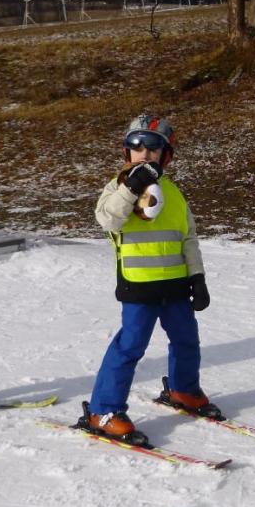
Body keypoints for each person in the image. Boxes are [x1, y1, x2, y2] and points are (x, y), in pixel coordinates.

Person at [79, 113, 216, 445]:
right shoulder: (117, 188)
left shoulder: (174, 193)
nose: (145, 153)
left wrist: (197, 278)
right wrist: (131, 187)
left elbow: (188, 238)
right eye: (136, 146)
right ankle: (104, 409)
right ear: (127, 153)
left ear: (165, 155)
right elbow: (108, 220)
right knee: (130, 347)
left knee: (186, 341)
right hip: (139, 286)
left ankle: (184, 389)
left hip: (176, 285)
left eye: (153, 147)